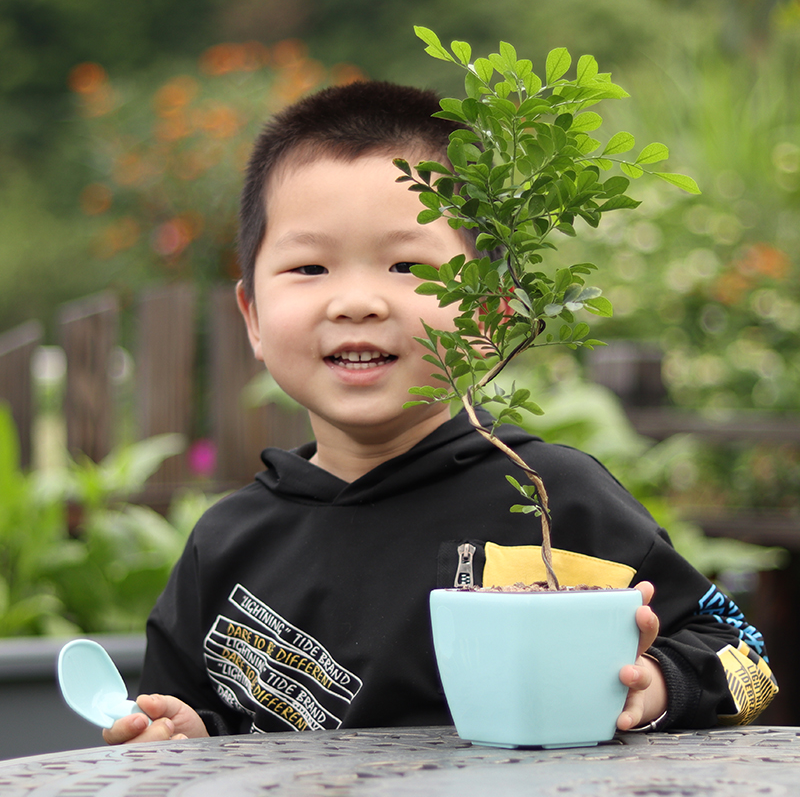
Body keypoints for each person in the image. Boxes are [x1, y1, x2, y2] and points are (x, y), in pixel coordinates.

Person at [104, 80, 777, 745]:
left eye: (407, 266)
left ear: (489, 314)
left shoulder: (550, 500)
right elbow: (188, 721)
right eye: (310, 268)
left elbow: (747, 659)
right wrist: (189, 735)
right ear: (252, 316)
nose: (358, 301)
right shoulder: (225, 545)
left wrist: (657, 683)